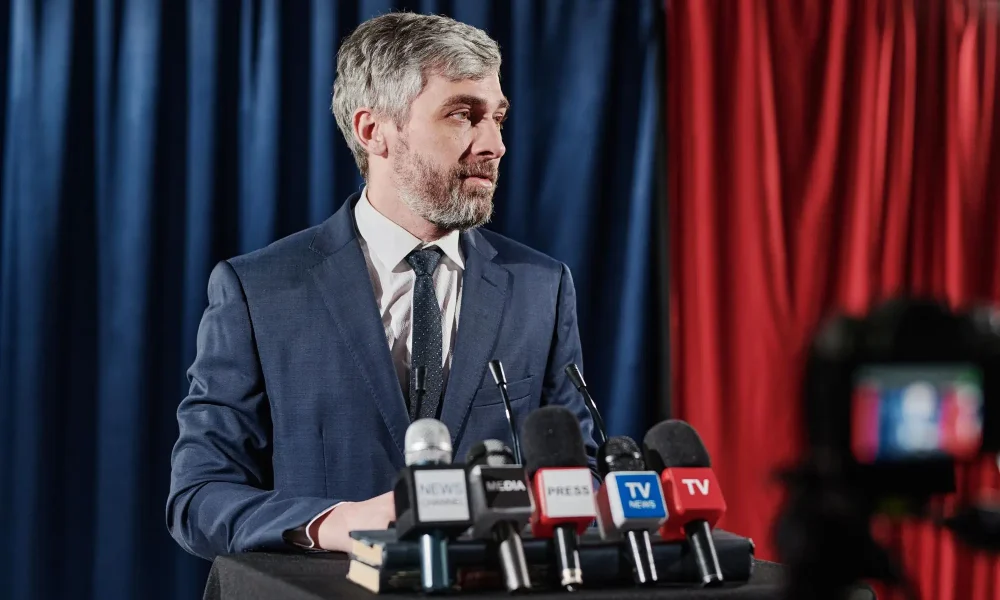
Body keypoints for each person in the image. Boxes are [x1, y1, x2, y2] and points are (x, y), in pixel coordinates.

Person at [166, 12, 597, 560]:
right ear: (374, 132)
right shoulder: (258, 291)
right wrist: (337, 522)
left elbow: (578, 476)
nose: (494, 145)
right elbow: (198, 498)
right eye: (463, 115)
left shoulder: (541, 288)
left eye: (497, 118)